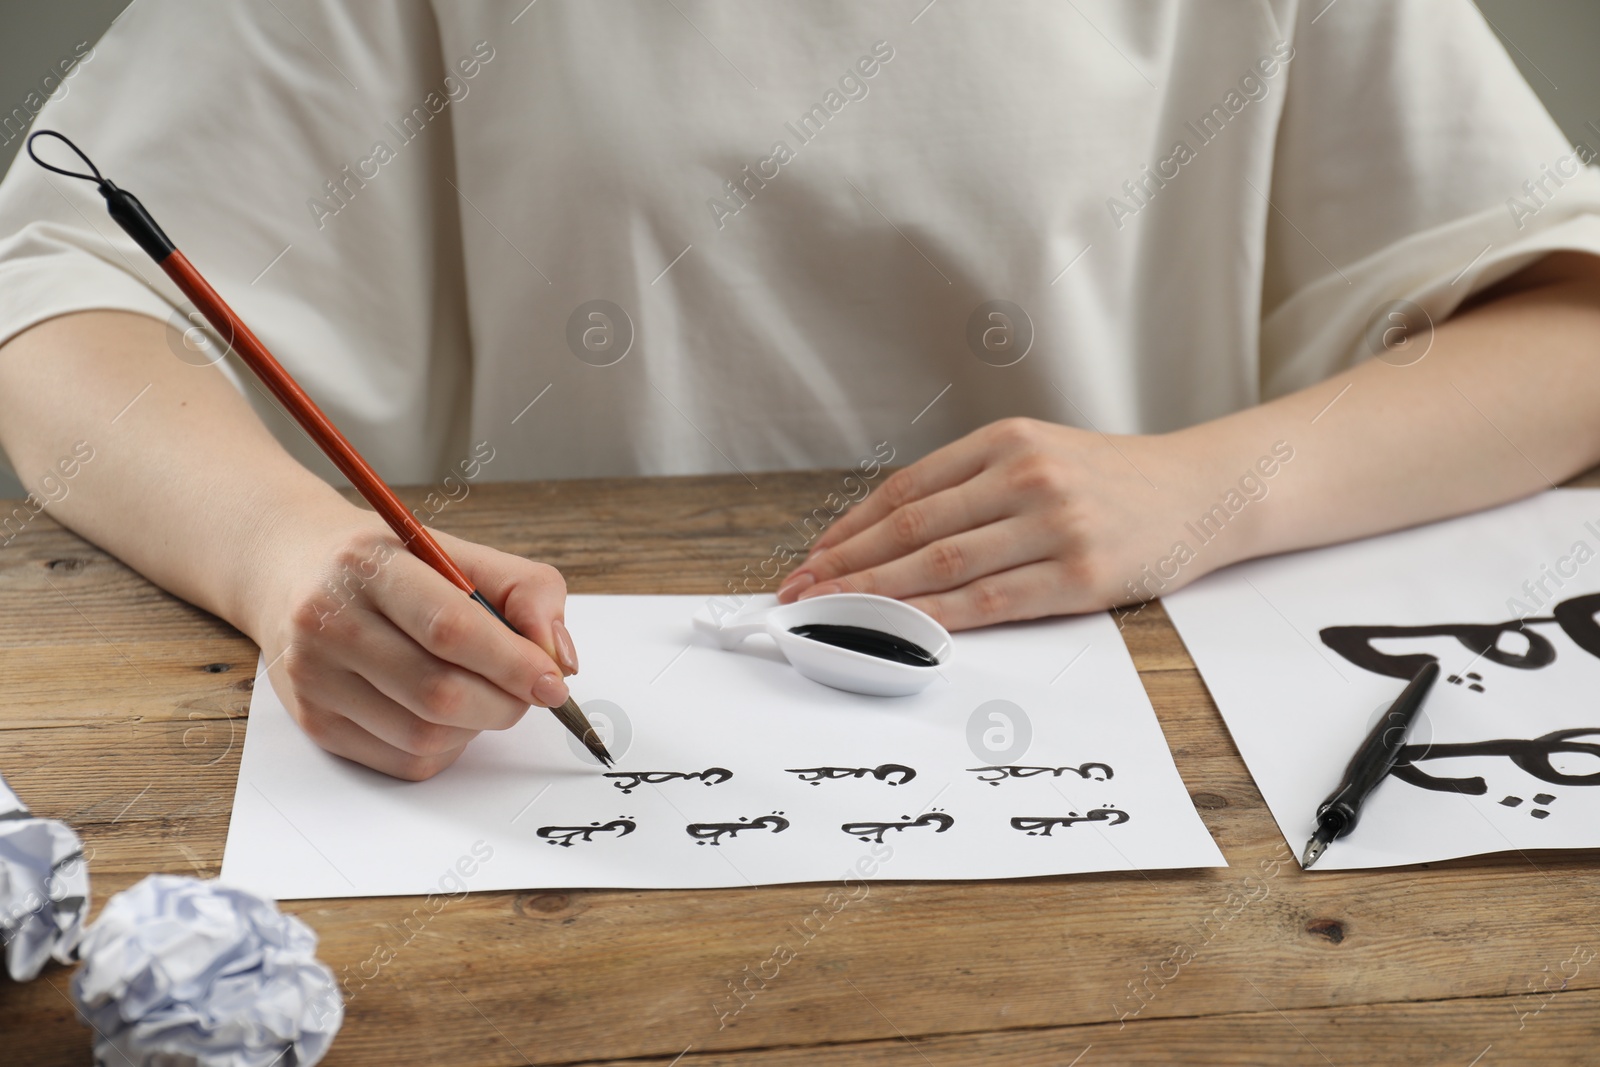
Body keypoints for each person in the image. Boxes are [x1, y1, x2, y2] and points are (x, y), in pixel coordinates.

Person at [1, 1, 1597, 780]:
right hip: (524, 759)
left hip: (1118, 767)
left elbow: (1573, 332)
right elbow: (56, 297)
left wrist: (1209, 486)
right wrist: (295, 559)